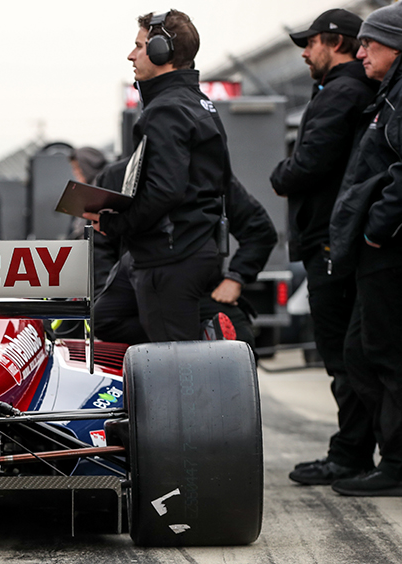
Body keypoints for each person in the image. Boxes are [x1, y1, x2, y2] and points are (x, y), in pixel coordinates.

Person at [269, 9, 379, 486]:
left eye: (309, 42)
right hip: (338, 237)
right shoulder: (350, 91)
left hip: (331, 240)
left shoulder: (342, 93)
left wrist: (281, 173)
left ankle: (352, 453)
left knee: (341, 355)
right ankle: (353, 448)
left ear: (335, 42)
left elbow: (307, 164)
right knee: (350, 354)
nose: (303, 51)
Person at [84, 10, 228, 342]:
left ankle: (203, 339)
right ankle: (203, 334)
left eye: (139, 46)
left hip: (172, 256)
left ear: (162, 51)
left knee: (178, 369)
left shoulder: (166, 110)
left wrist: (113, 223)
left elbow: (164, 190)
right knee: (105, 318)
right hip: (187, 249)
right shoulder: (198, 104)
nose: (131, 55)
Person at [329, 3, 402, 497]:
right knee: (362, 354)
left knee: (386, 357)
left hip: (389, 251)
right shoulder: (389, 95)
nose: (360, 53)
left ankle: (396, 465)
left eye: (369, 45)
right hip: (377, 251)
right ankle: (388, 456)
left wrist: (377, 227)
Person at [93, 170, 277, 349]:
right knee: (103, 320)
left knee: (239, 341)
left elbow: (260, 230)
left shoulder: (210, 175)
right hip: (137, 290)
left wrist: (236, 277)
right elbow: (99, 248)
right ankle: (196, 339)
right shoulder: (117, 176)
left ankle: (196, 341)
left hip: (198, 288)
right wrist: (108, 290)